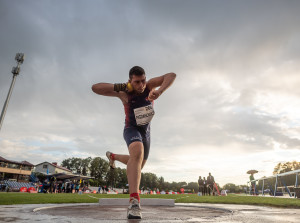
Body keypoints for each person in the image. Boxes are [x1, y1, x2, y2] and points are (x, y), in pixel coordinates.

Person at [92, 66, 176, 219]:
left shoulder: (150, 86)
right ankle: (134, 202)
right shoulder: (125, 93)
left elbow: (171, 75)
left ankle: (114, 157)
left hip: (146, 134)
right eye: (137, 82)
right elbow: (95, 88)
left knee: (137, 165)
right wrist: (122, 86)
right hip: (131, 129)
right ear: (130, 81)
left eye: (143, 80)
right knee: (136, 151)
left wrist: (160, 91)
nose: (141, 85)